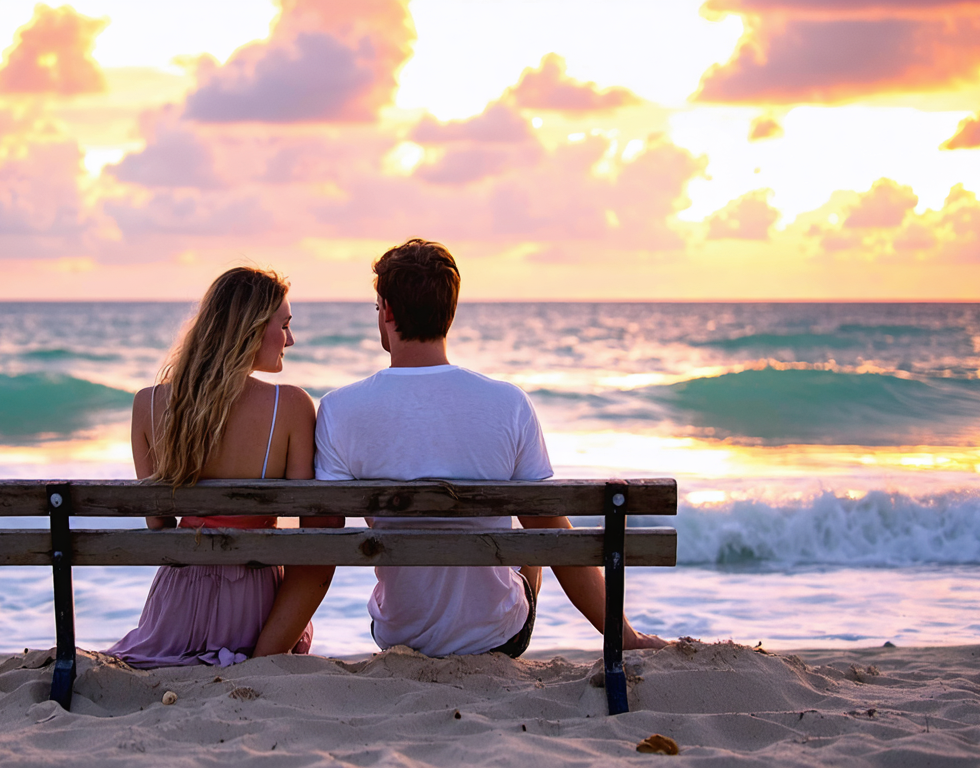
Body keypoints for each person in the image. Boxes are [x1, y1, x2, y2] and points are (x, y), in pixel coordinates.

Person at [314, 239, 667, 658]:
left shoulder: (339, 409)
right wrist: (624, 637)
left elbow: (320, 544)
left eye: (377, 309)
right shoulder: (508, 404)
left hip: (398, 636)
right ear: (451, 311)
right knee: (527, 536)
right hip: (497, 639)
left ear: (388, 310)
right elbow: (553, 534)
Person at [106, 266, 339, 668]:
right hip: (252, 597)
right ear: (251, 327)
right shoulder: (292, 407)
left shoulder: (147, 404)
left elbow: (157, 525)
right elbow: (308, 532)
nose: (290, 339)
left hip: (176, 602)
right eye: (283, 326)